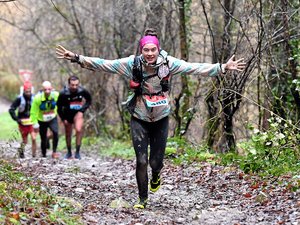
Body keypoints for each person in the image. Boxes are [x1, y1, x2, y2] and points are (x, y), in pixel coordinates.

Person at [56, 28, 246, 209]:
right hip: (139, 116)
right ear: (141, 50)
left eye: (152, 49)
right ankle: (142, 199)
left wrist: (222, 67)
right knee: (141, 160)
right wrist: (77, 58)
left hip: (161, 117)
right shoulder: (132, 63)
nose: (149, 53)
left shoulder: (168, 63)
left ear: (158, 49)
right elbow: (105, 64)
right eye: (146, 50)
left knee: (156, 163)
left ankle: (156, 175)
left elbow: (194, 68)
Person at [57, 75, 92, 160]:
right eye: (72, 85)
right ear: (69, 84)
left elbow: (89, 100)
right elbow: (58, 107)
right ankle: (69, 152)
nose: (74, 87)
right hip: (67, 115)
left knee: (79, 129)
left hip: (77, 113)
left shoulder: (82, 91)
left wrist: (82, 111)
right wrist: (63, 119)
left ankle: (77, 152)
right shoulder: (63, 93)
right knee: (68, 133)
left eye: (76, 85)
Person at [30, 81, 60, 158]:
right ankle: (44, 154)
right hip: (42, 120)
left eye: (49, 89)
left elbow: (62, 103)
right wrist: (35, 123)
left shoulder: (56, 95)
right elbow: (33, 112)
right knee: (43, 138)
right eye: (45, 90)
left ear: (52, 89)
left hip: (52, 118)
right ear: (42, 90)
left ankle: (54, 151)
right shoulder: (37, 98)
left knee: (55, 132)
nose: (47, 91)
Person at [9, 81, 37, 158]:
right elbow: (11, 109)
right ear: (24, 91)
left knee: (34, 138)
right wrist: (17, 119)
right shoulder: (19, 99)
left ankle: (34, 156)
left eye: (29, 91)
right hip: (22, 122)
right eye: (26, 91)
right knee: (25, 141)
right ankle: (21, 152)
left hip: (31, 121)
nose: (28, 93)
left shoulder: (34, 98)